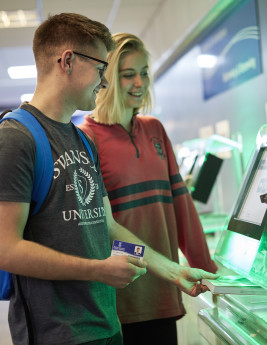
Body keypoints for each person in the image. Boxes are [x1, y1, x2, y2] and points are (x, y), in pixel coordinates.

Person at [0, 13, 217, 345]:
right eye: (101, 69)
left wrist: (172, 271)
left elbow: (108, 226)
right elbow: (6, 249)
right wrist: (98, 270)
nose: (104, 82)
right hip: (57, 334)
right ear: (68, 61)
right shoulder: (16, 137)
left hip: (106, 325)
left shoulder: (82, 141)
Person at [78, 33, 218, 345]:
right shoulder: (86, 139)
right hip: (121, 297)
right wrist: (141, 263)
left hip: (164, 291)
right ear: (108, 79)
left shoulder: (155, 130)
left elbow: (182, 207)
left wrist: (206, 268)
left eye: (144, 73)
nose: (139, 83)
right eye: (129, 74)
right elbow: (101, 228)